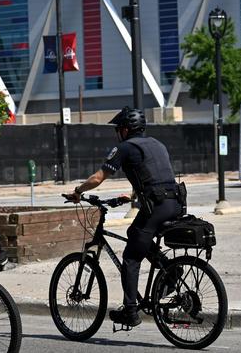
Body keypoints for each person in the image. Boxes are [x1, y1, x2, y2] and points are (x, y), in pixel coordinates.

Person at [65, 107, 184, 328]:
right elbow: (154, 176)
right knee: (135, 235)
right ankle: (168, 266)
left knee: (131, 258)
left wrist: (78, 191)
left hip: (156, 207)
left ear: (126, 129)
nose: (117, 133)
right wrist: (130, 196)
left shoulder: (125, 147)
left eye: (118, 129)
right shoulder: (158, 144)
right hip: (176, 203)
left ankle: (130, 311)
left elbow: (98, 177)